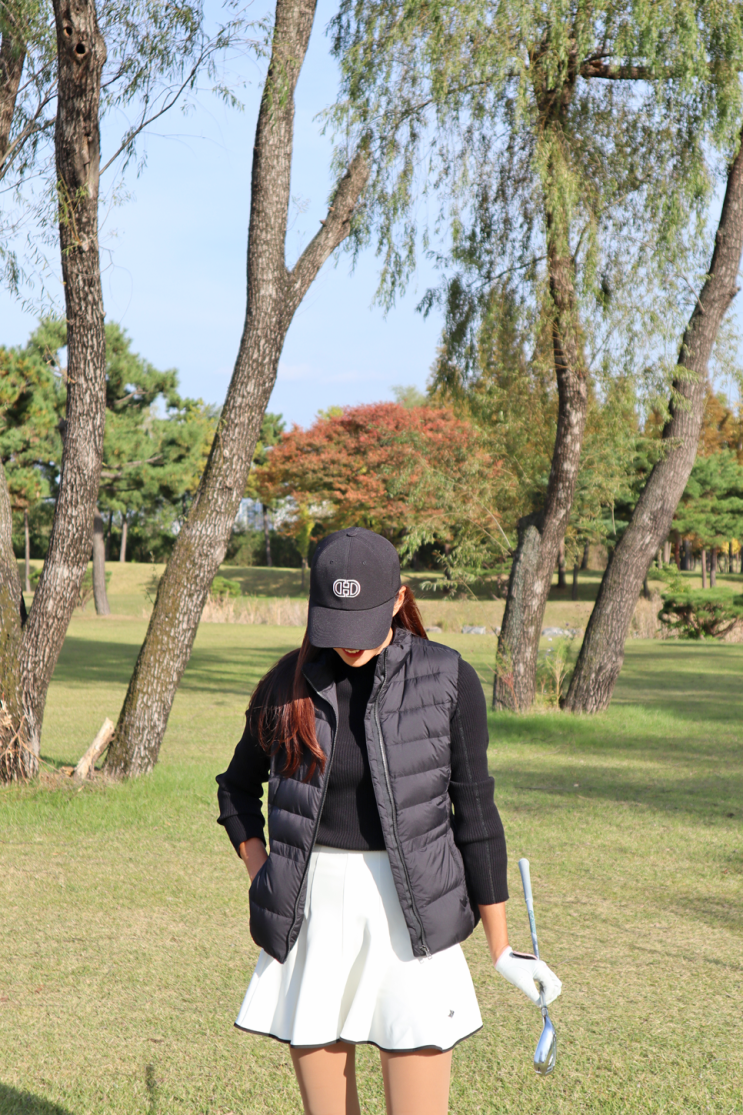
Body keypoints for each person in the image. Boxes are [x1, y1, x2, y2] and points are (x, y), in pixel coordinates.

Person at [217, 527, 561, 1115]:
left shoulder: (447, 678)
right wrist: (263, 874)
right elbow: (237, 788)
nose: (349, 645)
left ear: (399, 599)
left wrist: (503, 948)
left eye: (362, 625)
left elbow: (476, 812)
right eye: (336, 625)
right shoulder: (285, 685)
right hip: (312, 919)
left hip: (414, 915)